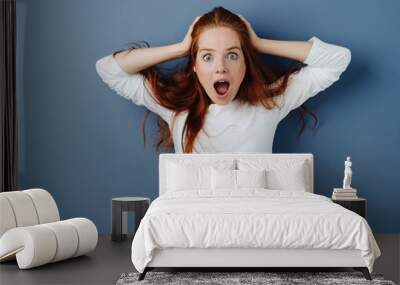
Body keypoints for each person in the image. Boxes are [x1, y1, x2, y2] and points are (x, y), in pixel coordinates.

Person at [95, 6, 351, 154]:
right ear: (194, 66)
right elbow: (108, 68)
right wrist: (182, 47)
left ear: (245, 62)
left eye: (232, 55)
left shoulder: (270, 102)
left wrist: (259, 44)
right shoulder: (176, 109)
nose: (220, 68)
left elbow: (338, 60)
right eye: (207, 57)